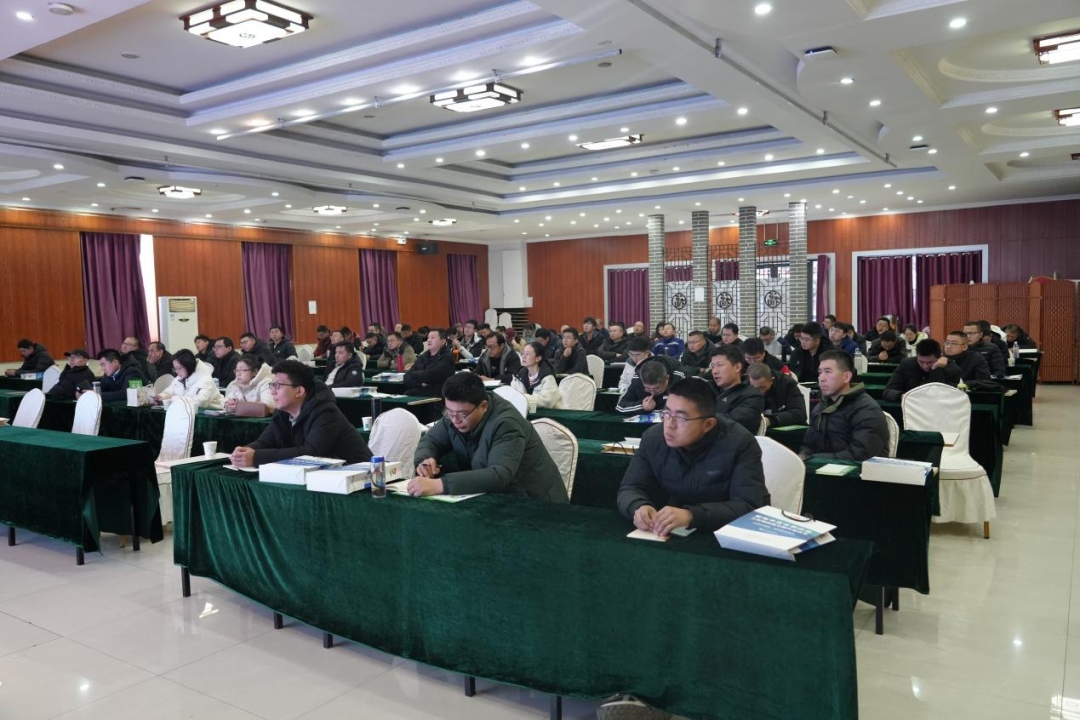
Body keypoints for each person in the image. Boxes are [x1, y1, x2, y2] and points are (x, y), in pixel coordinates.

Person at [617, 378, 769, 535]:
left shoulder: (740, 444)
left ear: (708, 424)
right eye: (667, 413)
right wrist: (638, 506)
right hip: (671, 532)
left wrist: (691, 515)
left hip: (722, 535)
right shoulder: (653, 438)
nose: (670, 425)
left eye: (681, 418)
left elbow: (748, 506)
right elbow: (631, 487)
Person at [408, 372, 568, 501]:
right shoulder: (454, 415)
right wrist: (425, 461)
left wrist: (439, 485)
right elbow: (431, 441)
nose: (455, 420)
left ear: (483, 406)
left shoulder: (506, 424)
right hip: (497, 497)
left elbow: (498, 475)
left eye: (462, 414)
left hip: (534, 503)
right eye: (449, 412)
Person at [230, 361, 373, 467]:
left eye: (278, 385)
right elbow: (265, 441)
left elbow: (311, 453)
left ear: (299, 391)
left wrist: (256, 457)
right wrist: (247, 450)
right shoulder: (282, 412)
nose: (272, 391)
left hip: (358, 474)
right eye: (272, 385)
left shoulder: (326, 412)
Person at [799, 351, 889, 461]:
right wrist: (804, 456)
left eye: (828, 372)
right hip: (824, 467)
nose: (821, 378)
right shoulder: (821, 407)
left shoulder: (867, 410)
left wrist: (813, 458)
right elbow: (808, 445)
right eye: (820, 372)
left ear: (846, 377)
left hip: (857, 470)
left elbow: (860, 455)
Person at [709, 344, 765, 434]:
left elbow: (734, 425)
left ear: (737, 367)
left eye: (719, 365)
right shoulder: (707, 388)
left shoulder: (752, 396)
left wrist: (700, 418)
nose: (715, 371)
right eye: (712, 366)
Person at [883, 339, 962, 401]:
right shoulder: (906, 364)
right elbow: (888, 392)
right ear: (917, 356)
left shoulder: (953, 370)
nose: (925, 366)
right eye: (921, 361)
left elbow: (941, 396)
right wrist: (902, 396)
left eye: (929, 362)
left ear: (940, 357)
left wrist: (936, 369)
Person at [157, 349, 224, 409]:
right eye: (175, 369)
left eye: (179, 368)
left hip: (211, 414)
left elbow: (202, 402)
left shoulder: (206, 379)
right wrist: (160, 397)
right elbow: (168, 392)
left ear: (188, 365)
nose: (177, 372)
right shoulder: (180, 378)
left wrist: (172, 398)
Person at [617, 356, 684, 415]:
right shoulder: (637, 379)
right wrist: (642, 406)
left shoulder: (679, 379)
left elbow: (688, 406)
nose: (652, 392)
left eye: (657, 388)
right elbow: (620, 407)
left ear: (667, 379)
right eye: (647, 388)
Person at [617, 336, 684, 394]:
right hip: (631, 394)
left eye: (637, 355)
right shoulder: (629, 362)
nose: (634, 358)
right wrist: (626, 389)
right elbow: (623, 381)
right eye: (631, 354)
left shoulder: (657, 363)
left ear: (647, 352)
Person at [747, 363, 806, 427]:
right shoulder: (745, 386)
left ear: (772, 380)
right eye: (754, 388)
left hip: (785, 427)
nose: (758, 392)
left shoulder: (787, 384)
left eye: (761, 388)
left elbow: (800, 414)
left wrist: (770, 420)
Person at [511, 341, 563, 412]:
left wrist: (522, 397)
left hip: (548, 416)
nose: (523, 356)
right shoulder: (518, 376)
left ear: (538, 358)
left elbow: (547, 401)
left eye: (527, 354)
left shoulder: (548, 378)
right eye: (523, 353)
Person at [404, 328, 456, 397]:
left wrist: (413, 373)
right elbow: (406, 377)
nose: (429, 340)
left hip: (438, 395)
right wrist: (420, 384)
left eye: (433, 338)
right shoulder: (423, 356)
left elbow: (431, 375)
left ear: (442, 341)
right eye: (428, 338)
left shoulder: (447, 356)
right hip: (419, 391)